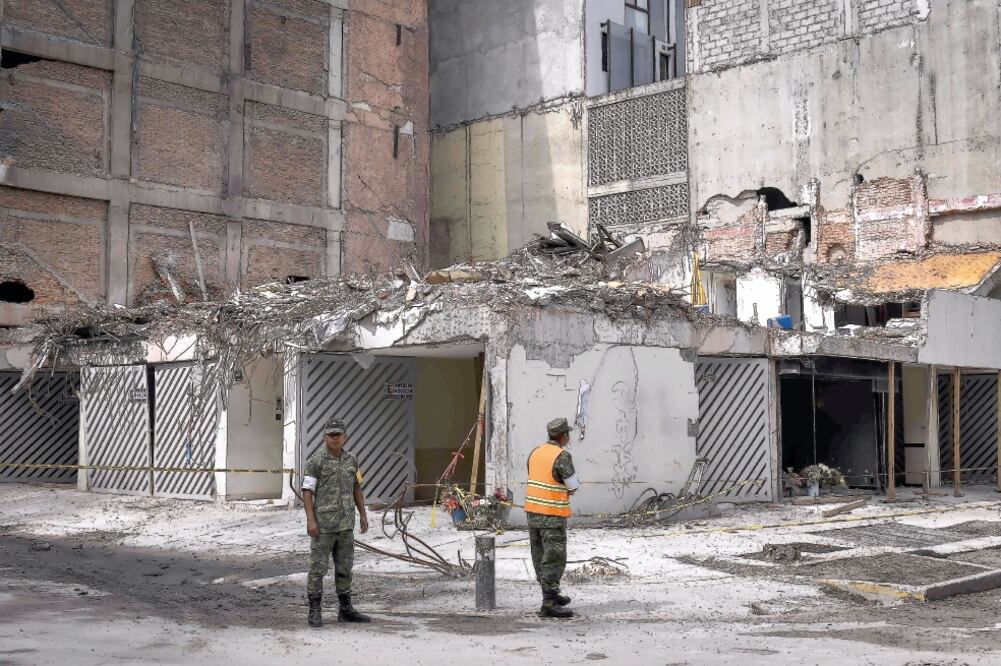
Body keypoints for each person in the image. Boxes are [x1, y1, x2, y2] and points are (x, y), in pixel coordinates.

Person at [301, 417, 370, 627]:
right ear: (324, 437)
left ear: (345, 437)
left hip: (345, 525)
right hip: (323, 526)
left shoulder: (352, 460)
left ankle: (345, 609)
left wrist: (363, 514)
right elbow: (307, 491)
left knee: (345, 567)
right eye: (330, 435)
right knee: (318, 568)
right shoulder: (316, 461)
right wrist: (310, 520)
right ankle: (314, 610)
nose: (334, 438)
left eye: (338, 434)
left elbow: (357, 488)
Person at [524, 417, 580, 618]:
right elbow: (573, 486)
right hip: (552, 515)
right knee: (554, 558)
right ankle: (548, 603)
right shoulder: (562, 456)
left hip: (532, 514)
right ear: (564, 436)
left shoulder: (535, 453)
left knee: (539, 556)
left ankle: (552, 593)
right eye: (568, 435)